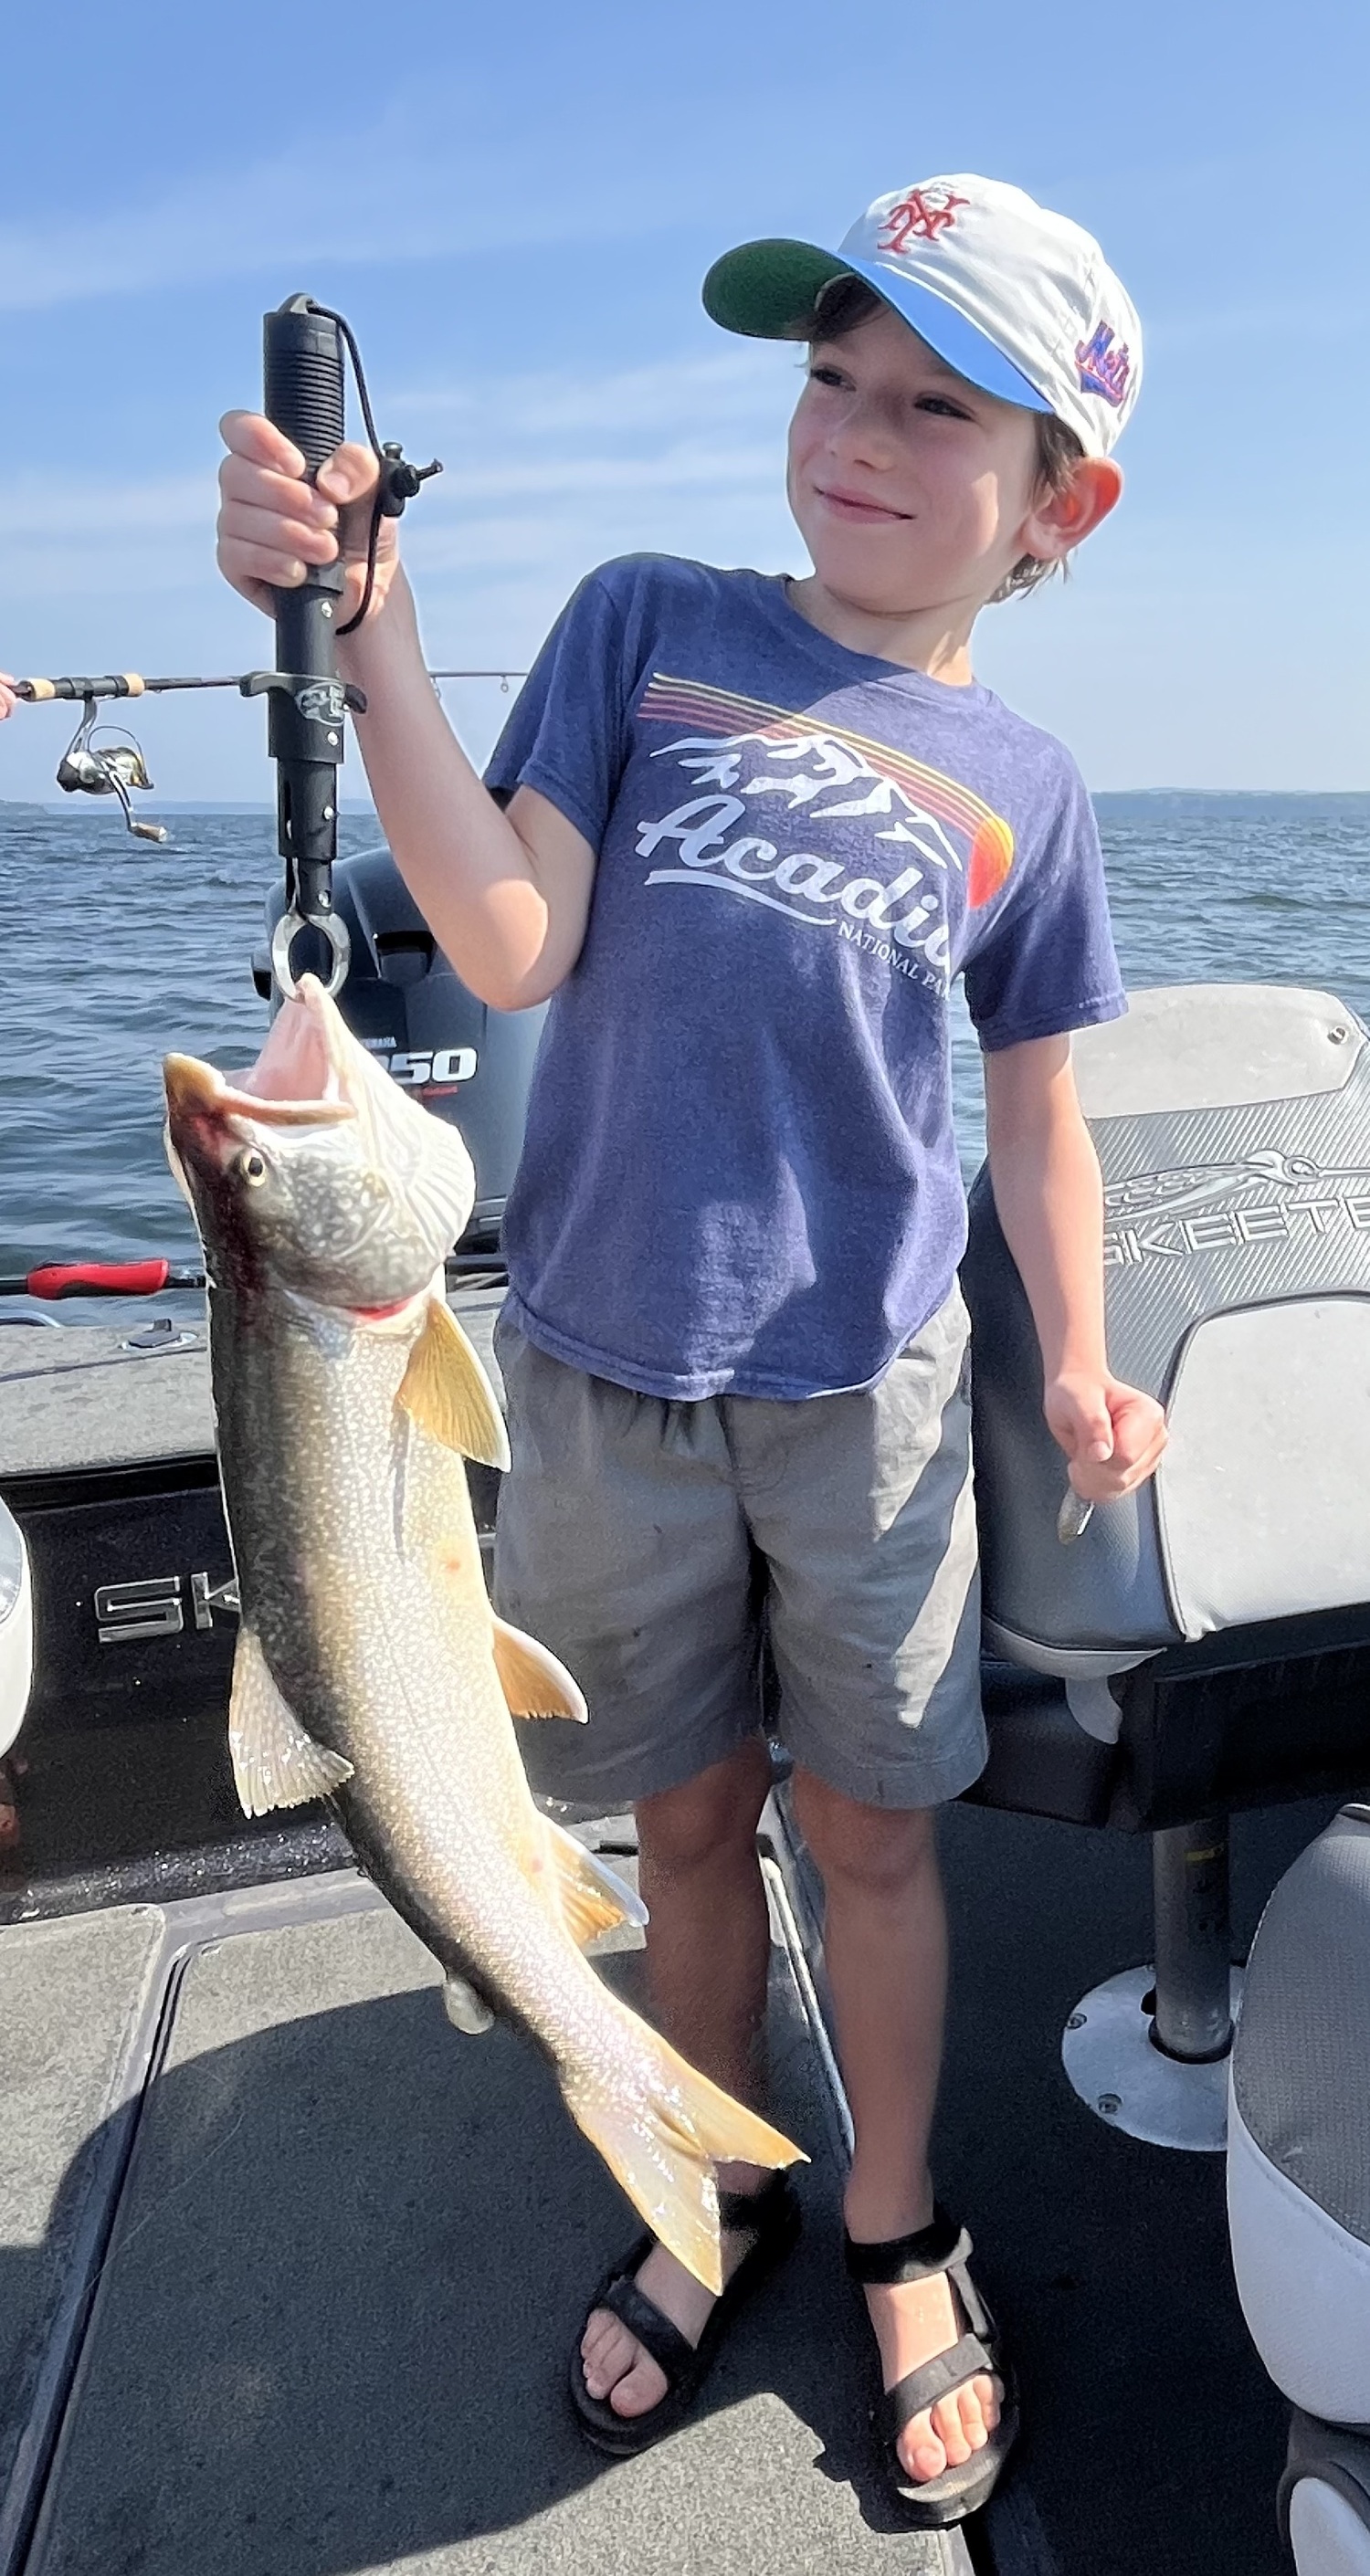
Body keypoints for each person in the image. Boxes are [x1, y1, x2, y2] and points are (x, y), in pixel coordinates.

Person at [215, 173, 1167, 2529]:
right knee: (686, 1825)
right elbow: (510, 941)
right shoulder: (649, 626)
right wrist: (373, 636)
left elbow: (1034, 1117)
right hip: (602, 1371)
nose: (857, 434)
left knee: (873, 1834)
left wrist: (1076, 1352)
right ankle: (696, 2180)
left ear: (1064, 498)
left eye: (936, 406)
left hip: (871, 1397)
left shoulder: (1032, 792)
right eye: (832, 381)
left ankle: (892, 2220)